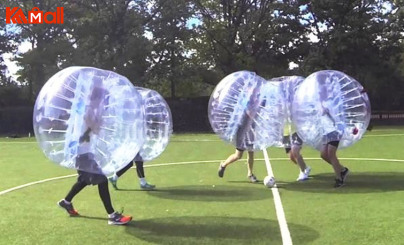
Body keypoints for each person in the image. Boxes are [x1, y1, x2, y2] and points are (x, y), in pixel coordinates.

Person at [58, 85, 132, 225]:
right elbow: (94, 128)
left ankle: (66, 201)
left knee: (84, 180)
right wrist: (100, 120)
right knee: (102, 180)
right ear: (96, 98)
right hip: (82, 153)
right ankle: (112, 216)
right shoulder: (88, 110)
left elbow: (93, 131)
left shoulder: (90, 110)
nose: (105, 102)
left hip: (84, 152)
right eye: (103, 99)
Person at [218, 85, 261, 183]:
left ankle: (250, 174)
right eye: (253, 90)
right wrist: (258, 108)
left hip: (251, 131)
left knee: (251, 152)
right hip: (242, 131)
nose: (255, 92)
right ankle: (223, 165)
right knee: (238, 155)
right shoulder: (246, 102)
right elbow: (251, 114)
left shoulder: (255, 101)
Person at [319, 81, 349, 188]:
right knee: (323, 154)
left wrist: (328, 112)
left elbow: (338, 116)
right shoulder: (321, 102)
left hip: (335, 130)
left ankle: (339, 179)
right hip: (326, 131)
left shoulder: (333, 101)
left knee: (331, 154)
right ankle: (342, 170)